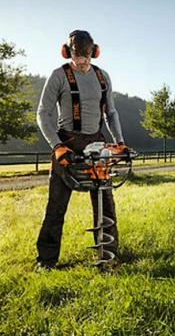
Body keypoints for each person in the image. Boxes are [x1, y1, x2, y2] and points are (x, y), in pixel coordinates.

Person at [36, 30, 126, 270]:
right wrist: (56, 146)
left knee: (105, 201)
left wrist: (119, 141)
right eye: (77, 56)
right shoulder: (58, 76)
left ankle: (109, 254)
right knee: (56, 204)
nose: (82, 61)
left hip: (97, 145)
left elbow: (111, 112)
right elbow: (43, 113)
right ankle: (46, 260)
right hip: (67, 145)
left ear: (94, 52)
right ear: (67, 52)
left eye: (86, 56)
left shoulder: (102, 77)